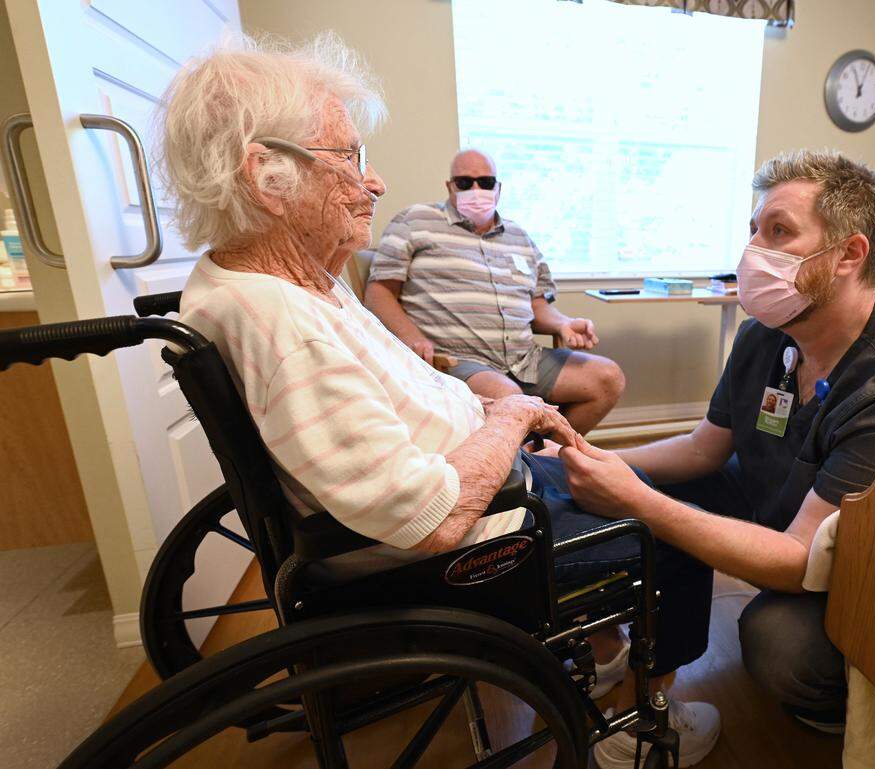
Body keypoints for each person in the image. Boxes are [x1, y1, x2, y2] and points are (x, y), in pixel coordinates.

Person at [158, 35, 719, 769]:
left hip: (476, 454)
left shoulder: (289, 283)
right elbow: (429, 516)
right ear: (268, 177)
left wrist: (483, 393)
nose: (375, 181)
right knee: (678, 526)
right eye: (350, 159)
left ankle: (606, 635)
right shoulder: (285, 321)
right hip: (475, 526)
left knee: (612, 460)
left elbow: (399, 378)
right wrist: (511, 415)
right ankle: (635, 727)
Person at [556, 150, 875, 736]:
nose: (752, 253)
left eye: (779, 232)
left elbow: (799, 559)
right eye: (753, 231)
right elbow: (702, 450)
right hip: (792, 511)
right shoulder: (766, 336)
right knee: (625, 491)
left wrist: (639, 503)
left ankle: (836, 708)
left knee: (776, 641)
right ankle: (619, 654)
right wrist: (596, 458)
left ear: (849, 254)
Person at [364, 149, 625, 433]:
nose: (476, 190)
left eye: (486, 182)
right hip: (457, 359)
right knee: (509, 397)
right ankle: (524, 465)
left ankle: (544, 461)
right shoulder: (415, 221)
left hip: (525, 358)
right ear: (450, 186)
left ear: (498, 188)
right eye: (465, 183)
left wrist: (563, 324)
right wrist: (412, 338)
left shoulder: (519, 237)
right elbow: (379, 291)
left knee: (608, 378)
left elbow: (537, 306)